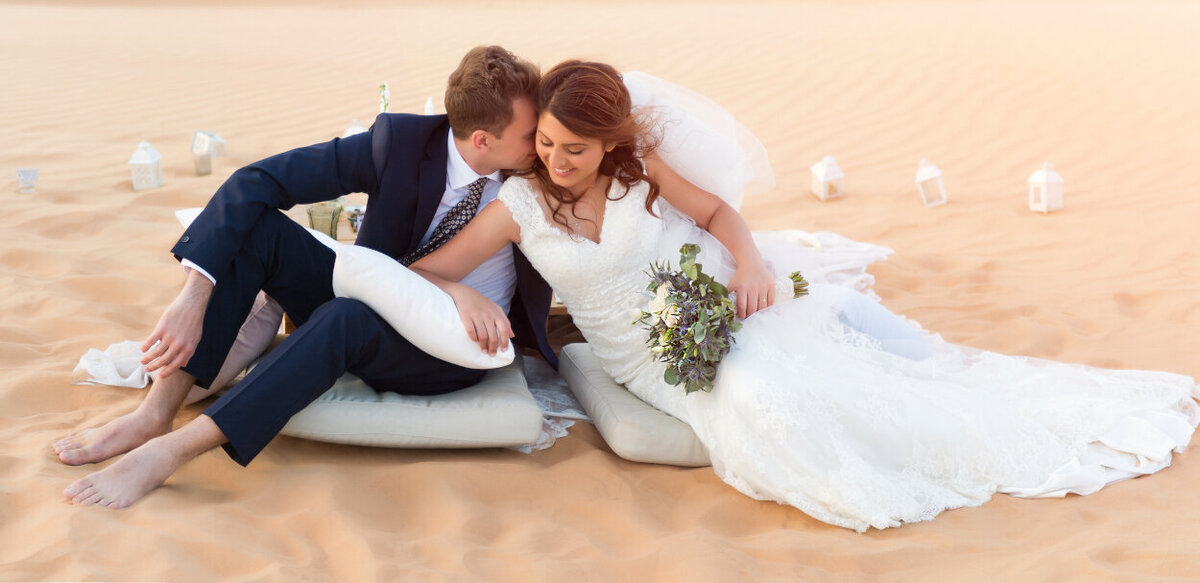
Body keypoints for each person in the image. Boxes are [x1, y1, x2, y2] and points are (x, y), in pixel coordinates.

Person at [408, 60, 1200, 532]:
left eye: (573, 148)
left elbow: (718, 214)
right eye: (545, 143)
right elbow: (431, 266)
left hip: (711, 307)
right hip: (638, 358)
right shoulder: (518, 205)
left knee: (789, 377)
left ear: (609, 142)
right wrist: (465, 298)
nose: (556, 158)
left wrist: (749, 266)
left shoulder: (637, 169)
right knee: (754, 397)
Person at [57, 45, 554, 508]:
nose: (544, 144)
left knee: (346, 316)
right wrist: (194, 293)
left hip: (459, 345)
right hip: (380, 298)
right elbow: (258, 180)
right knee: (261, 231)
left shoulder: (543, 170)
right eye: (532, 135)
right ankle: (154, 415)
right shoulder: (399, 145)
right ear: (483, 140)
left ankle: (172, 451)